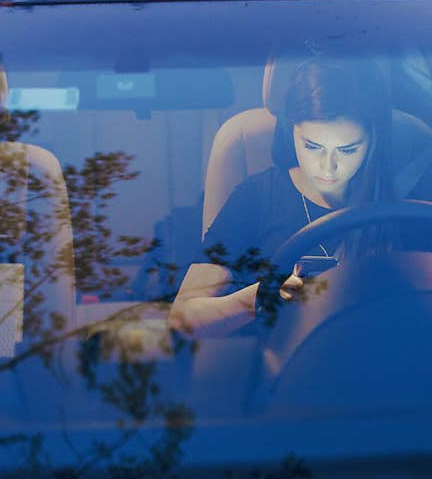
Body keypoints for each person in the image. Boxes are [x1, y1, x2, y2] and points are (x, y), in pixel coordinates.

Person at [168, 58, 394, 338]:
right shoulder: (257, 197)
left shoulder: (394, 201)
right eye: (312, 146)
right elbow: (182, 318)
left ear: (372, 141)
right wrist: (263, 295)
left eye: (347, 150)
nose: (328, 166)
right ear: (291, 132)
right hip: (280, 370)